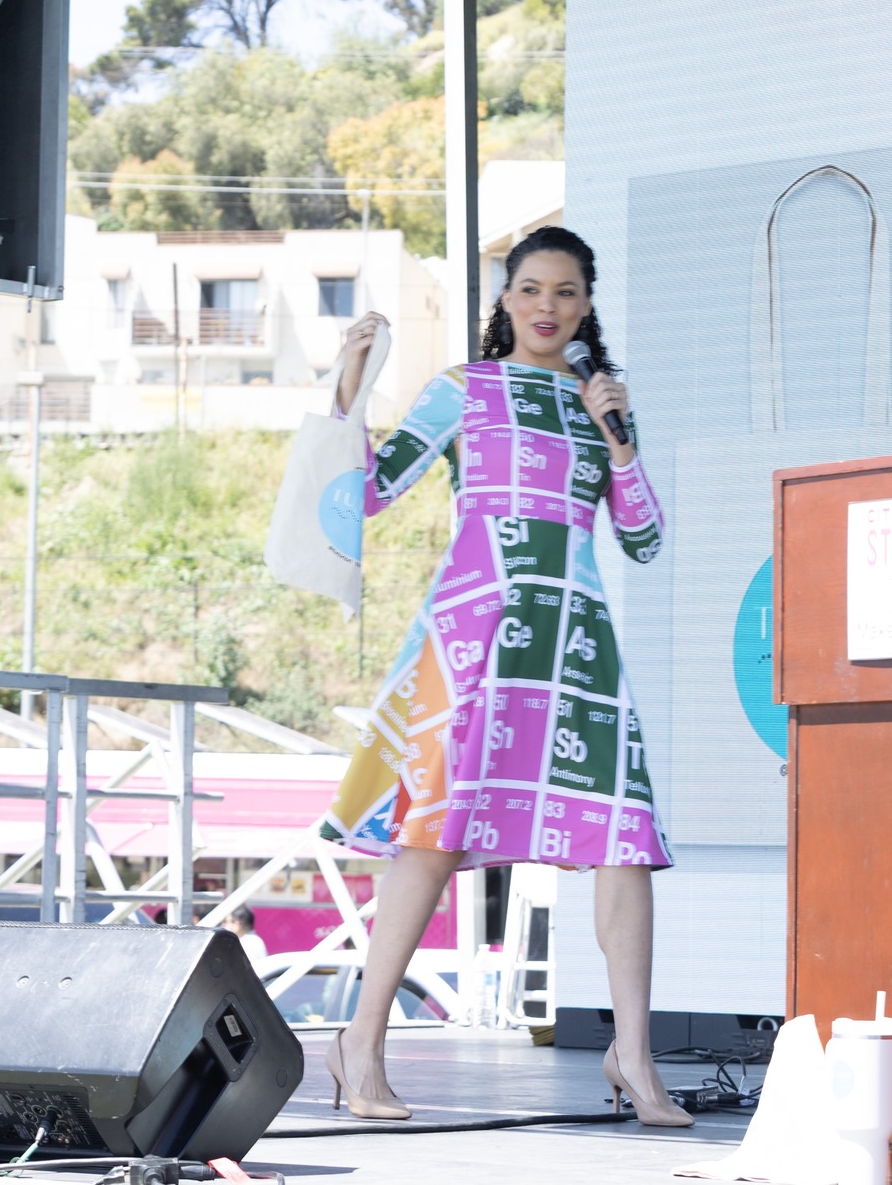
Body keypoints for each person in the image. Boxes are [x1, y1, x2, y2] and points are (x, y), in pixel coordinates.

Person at [316, 227, 689, 1126]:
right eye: (530, 289)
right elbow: (368, 488)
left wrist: (622, 444)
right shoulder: (464, 391)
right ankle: (360, 1041)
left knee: (620, 835)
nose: (547, 307)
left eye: (565, 292)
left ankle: (632, 1055)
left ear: (587, 303)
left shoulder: (599, 406)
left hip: (576, 643)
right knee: (434, 827)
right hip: (478, 629)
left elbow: (642, 538)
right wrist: (348, 388)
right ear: (506, 300)